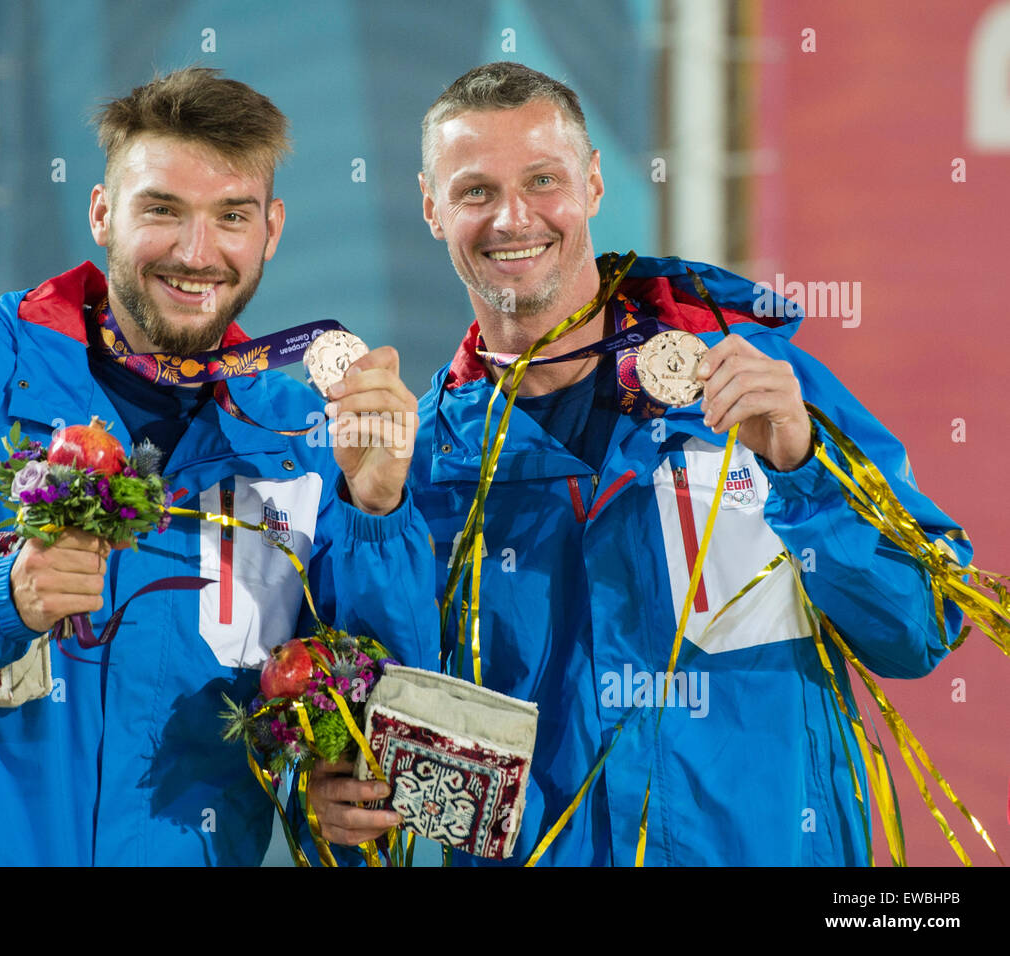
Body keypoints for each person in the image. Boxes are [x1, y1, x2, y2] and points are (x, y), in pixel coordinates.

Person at [0, 67, 435, 866]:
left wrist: (377, 509)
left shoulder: (303, 436)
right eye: (161, 210)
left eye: (231, 216)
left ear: (271, 231)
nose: (195, 251)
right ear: (102, 212)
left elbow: (373, 725)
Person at [311, 61, 970, 865]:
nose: (512, 218)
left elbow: (920, 628)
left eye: (542, 180)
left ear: (592, 183)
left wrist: (804, 468)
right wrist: (328, 790)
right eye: (475, 191)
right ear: (431, 208)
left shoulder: (752, 385)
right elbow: (371, 744)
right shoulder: (415, 467)